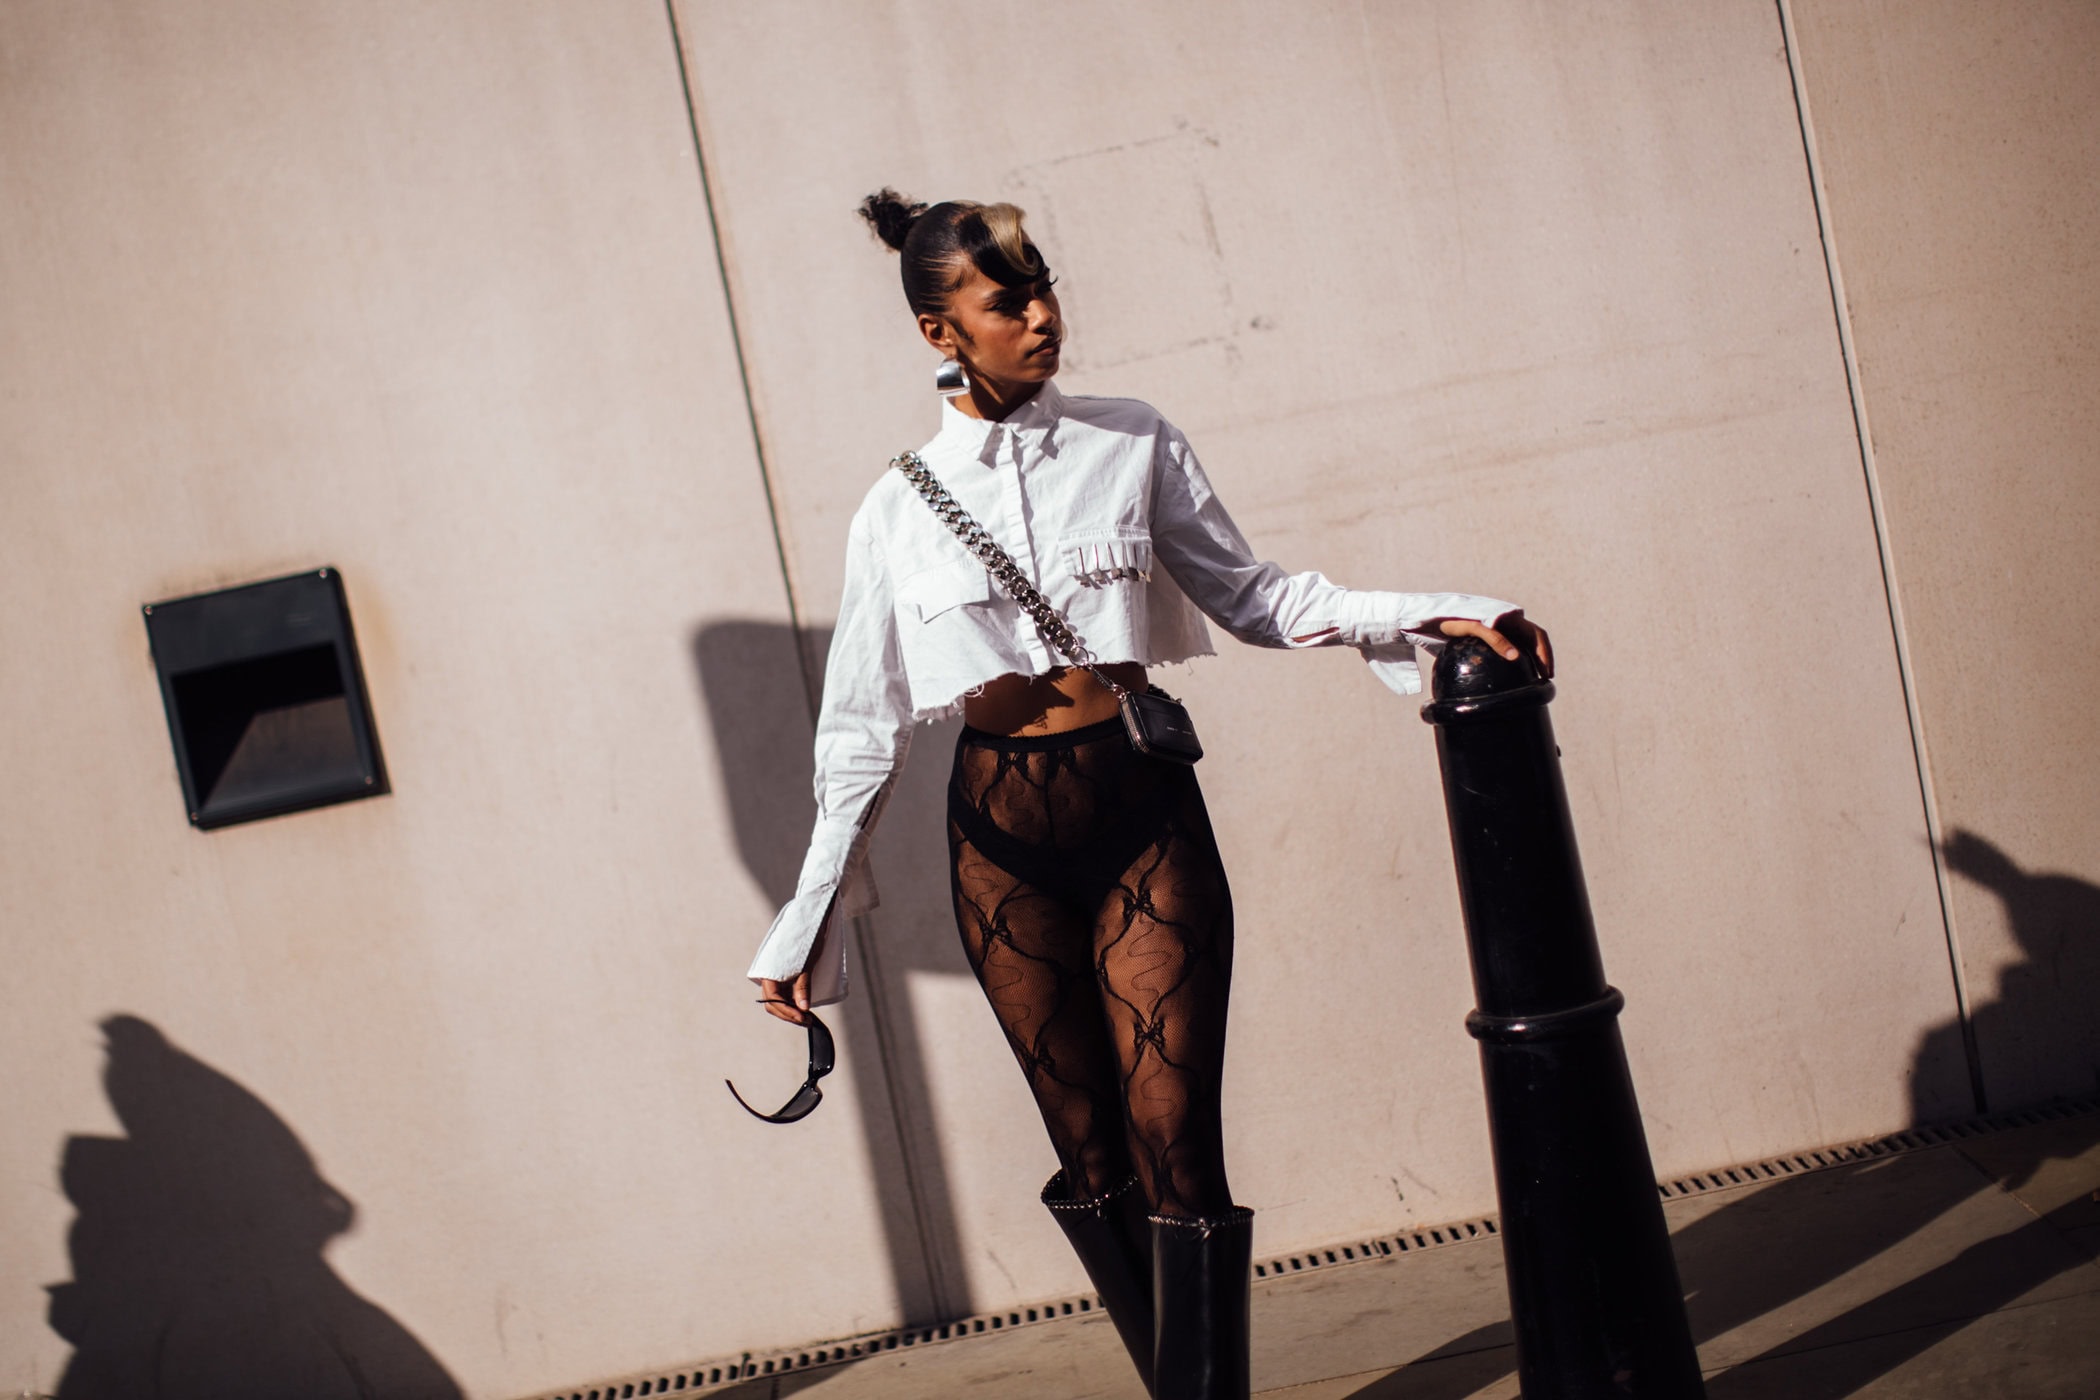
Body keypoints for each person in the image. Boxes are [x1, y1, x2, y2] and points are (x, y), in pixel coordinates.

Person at [745, 189, 1551, 1400]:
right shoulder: (896, 507)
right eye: (1007, 300)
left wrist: (1441, 612)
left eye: (1044, 287)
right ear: (939, 333)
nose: (1042, 315)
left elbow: (1258, 597)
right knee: (1090, 1156)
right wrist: (806, 918)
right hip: (998, 851)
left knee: (1179, 1151)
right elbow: (862, 728)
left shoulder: (1131, 441)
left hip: (1142, 825)